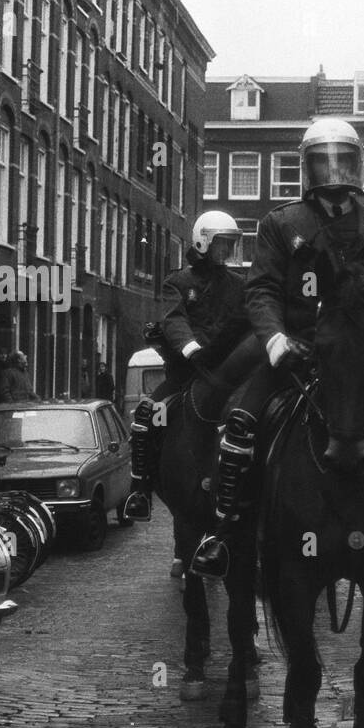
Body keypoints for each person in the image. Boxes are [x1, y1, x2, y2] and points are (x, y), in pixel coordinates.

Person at [192, 117, 364, 582]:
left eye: (344, 160)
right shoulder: (281, 223)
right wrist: (273, 340)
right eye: (323, 161)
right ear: (307, 168)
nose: (334, 172)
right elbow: (263, 288)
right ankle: (225, 534)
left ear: (359, 166)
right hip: (299, 351)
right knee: (241, 424)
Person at [121, 211, 250, 523]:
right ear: (203, 242)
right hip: (185, 373)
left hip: (228, 373)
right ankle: (140, 489)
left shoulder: (239, 285)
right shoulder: (178, 282)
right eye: (221, 244)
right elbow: (173, 318)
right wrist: (192, 349)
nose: (226, 251)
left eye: (230, 245)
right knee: (147, 414)